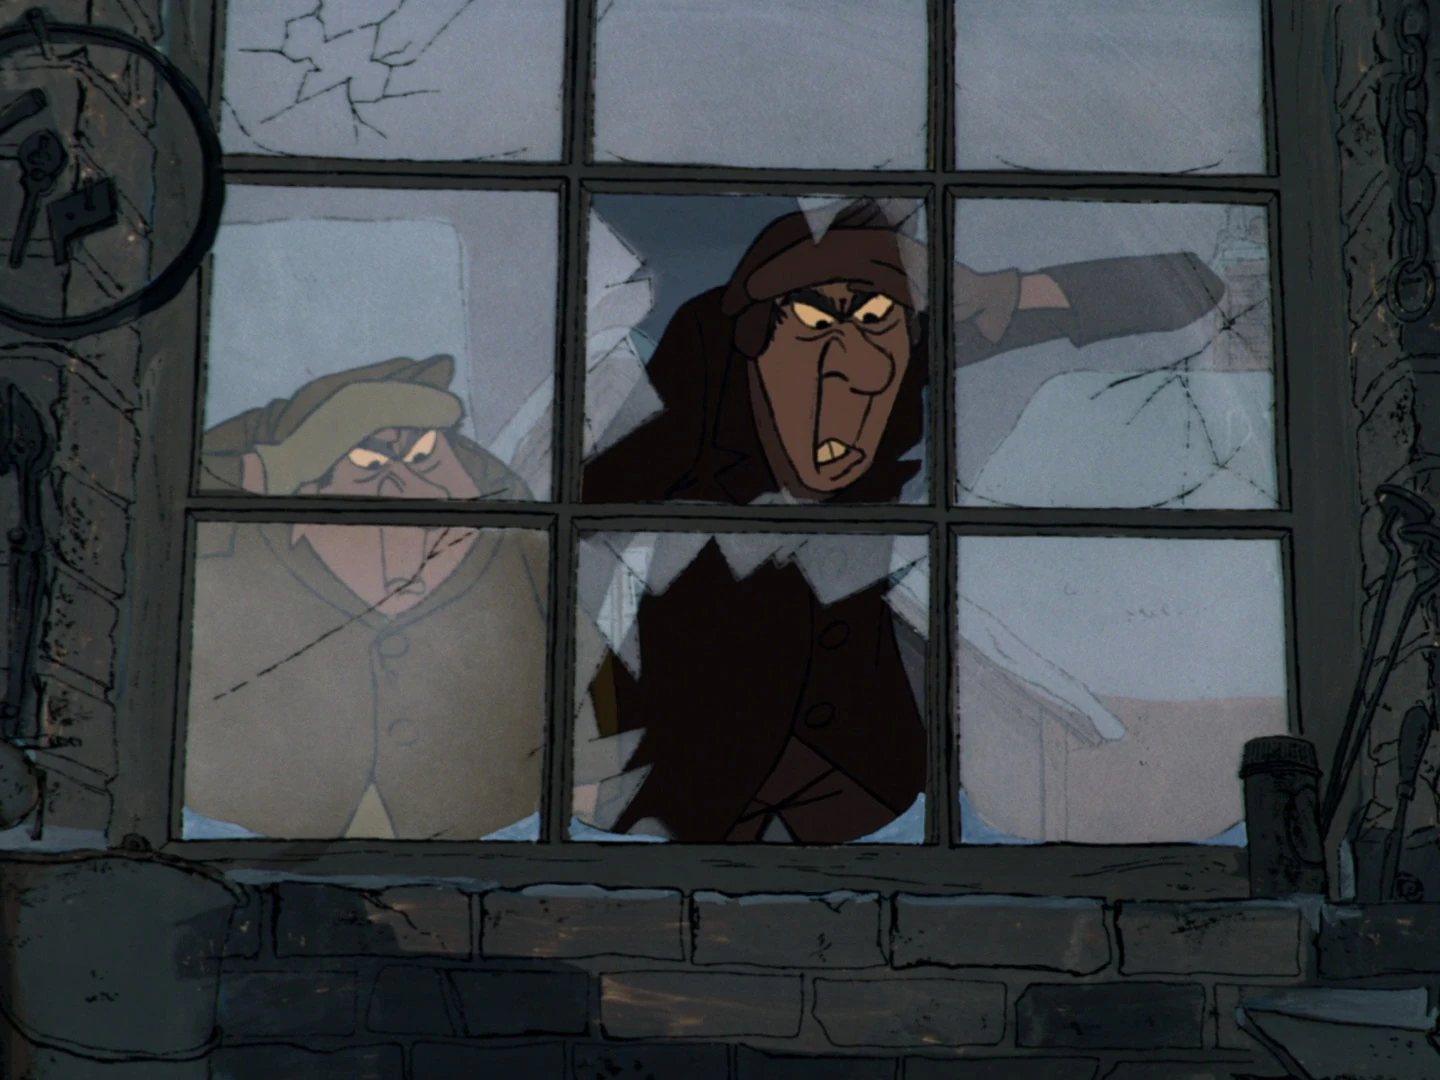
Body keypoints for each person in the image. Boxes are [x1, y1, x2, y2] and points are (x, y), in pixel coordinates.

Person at [579, 199, 1226, 843]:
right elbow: (591, 504)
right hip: (698, 752)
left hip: (861, 763)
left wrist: (1003, 292)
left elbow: (1190, 289)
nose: (846, 352)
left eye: (872, 316)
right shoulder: (713, 350)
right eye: (814, 317)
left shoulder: (901, 341)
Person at [185, 354, 548, 840]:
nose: (402, 482)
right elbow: (155, 487)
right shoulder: (239, 543)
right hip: (243, 841)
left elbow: (589, 707)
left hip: (491, 842)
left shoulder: (509, 539)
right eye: (367, 461)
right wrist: (280, 463)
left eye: (422, 451)